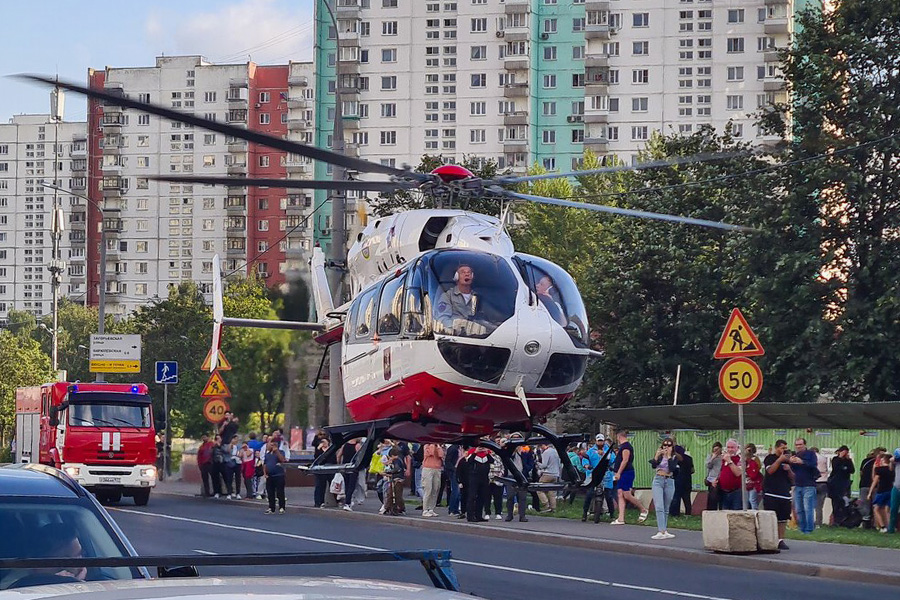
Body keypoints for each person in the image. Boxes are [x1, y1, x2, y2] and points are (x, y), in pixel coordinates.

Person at [435, 264, 485, 336]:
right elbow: (442, 319)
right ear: (456, 277)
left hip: (477, 337)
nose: (467, 274)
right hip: (456, 338)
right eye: (463, 272)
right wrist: (459, 325)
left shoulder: (478, 297)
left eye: (469, 272)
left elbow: (483, 318)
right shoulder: (447, 296)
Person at [612, 430, 648, 525]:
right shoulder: (622, 447)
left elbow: (625, 460)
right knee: (620, 493)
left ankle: (643, 509)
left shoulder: (626, 447)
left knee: (626, 494)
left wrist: (619, 472)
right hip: (623, 473)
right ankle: (621, 518)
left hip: (626, 472)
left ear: (619, 437)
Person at [763, 439, 794, 550]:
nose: (784, 450)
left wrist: (789, 469)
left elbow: (793, 478)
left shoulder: (789, 461)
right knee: (771, 518)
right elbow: (770, 471)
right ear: (777, 448)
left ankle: (781, 540)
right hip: (771, 493)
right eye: (782, 448)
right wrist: (779, 460)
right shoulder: (769, 458)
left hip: (785, 493)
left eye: (786, 448)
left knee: (783, 519)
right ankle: (768, 540)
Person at [649, 437, 680, 540]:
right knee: (659, 506)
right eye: (664, 445)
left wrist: (669, 456)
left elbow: (672, 468)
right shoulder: (660, 456)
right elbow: (653, 465)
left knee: (666, 507)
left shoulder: (675, 457)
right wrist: (657, 455)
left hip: (669, 480)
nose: (666, 447)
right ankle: (660, 530)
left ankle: (664, 530)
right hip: (658, 480)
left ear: (672, 447)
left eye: (669, 445)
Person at [788, 437, 819, 533]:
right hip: (798, 485)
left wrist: (802, 462)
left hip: (809, 484)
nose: (798, 446)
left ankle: (809, 529)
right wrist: (791, 461)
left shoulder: (811, 454)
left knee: (808, 508)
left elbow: (813, 464)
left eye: (800, 444)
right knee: (799, 509)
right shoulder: (795, 455)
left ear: (805, 445)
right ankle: (802, 529)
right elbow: (792, 470)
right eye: (796, 445)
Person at [465, 446, 494, 522]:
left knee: (482, 497)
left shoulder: (487, 453)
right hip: (474, 477)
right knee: (472, 497)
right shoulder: (472, 452)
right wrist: (475, 452)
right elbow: (468, 462)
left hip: (484, 478)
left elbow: (492, 460)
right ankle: (470, 516)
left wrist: (487, 453)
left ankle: (479, 515)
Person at [827, 445, 854, 525]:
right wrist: (840, 459)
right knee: (836, 502)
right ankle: (836, 520)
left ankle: (844, 520)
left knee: (845, 501)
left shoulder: (848, 461)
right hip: (835, 483)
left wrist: (847, 462)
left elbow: (852, 470)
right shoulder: (835, 459)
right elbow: (836, 468)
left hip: (845, 483)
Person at [858, 447, 884, 529]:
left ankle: (866, 522)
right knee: (875, 505)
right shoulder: (880, 463)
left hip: (864, 485)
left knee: (864, 504)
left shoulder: (865, 461)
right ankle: (876, 524)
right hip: (875, 486)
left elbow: (861, 473)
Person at [868, 452, 893, 532]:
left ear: (884, 460)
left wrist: (874, 467)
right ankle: (890, 527)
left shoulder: (880, 470)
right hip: (890, 490)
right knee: (887, 509)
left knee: (876, 508)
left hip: (882, 490)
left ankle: (882, 527)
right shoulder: (892, 470)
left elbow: (874, 479)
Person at [717, 439, 743, 510]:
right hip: (723, 491)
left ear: (737, 448)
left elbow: (738, 473)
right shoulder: (723, 459)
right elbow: (720, 471)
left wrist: (729, 461)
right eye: (728, 447)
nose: (730, 449)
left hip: (735, 492)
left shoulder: (740, 459)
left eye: (732, 447)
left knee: (736, 514)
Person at [536, 442, 561, 513]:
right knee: (552, 491)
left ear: (544, 445)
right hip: (555, 474)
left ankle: (546, 505)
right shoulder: (556, 452)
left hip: (547, 474)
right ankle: (553, 508)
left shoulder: (546, 452)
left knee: (539, 489)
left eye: (541, 446)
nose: (541, 448)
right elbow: (559, 464)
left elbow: (544, 465)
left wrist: (537, 463)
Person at [421, 443, 444, 518]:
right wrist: (432, 445)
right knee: (428, 489)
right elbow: (430, 453)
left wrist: (438, 446)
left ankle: (431, 509)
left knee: (435, 489)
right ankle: (425, 510)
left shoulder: (438, 446)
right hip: (428, 468)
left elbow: (441, 455)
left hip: (437, 468)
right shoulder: (427, 446)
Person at [263, 440, 286, 514]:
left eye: (271, 445)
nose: (268, 446)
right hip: (270, 475)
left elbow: (282, 460)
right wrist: (265, 473)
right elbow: (265, 464)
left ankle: (282, 507)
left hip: (279, 475)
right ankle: (271, 507)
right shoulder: (267, 454)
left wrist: (277, 451)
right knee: (270, 492)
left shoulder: (281, 452)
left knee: (280, 492)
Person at [313, 437, 334, 508]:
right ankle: (319, 502)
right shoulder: (319, 450)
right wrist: (319, 448)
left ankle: (337, 501)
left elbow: (333, 459)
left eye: (325, 442)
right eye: (322, 442)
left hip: (330, 469)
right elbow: (316, 458)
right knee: (320, 486)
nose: (324, 443)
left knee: (333, 484)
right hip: (320, 470)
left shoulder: (331, 450)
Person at [812, 447, 829, 528]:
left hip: (813, 482)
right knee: (819, 506)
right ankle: (818, 523)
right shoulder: (823, 458)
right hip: (823, 482)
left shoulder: (811, 458)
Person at [705, 442, 724, 511]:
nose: (716, 451)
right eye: (715, 449)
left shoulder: (723, 457)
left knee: (721, 496)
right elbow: (708, 466)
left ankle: (721, 509)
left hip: (721, 478)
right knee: (712, 497)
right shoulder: (710, 456)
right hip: (712, 478)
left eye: (718, 449)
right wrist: (713, 458)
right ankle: (711, 510)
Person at [745, 444, 763, 510]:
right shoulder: (744, 459)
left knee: (752, 500)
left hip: (754, 483)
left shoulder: (755, 459)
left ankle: (755, 513)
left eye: (750, 450)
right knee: (746, 501)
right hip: (746, 483)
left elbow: (758, 468)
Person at [887, 449, 900, 533]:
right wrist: (891, 461)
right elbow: (891, 469)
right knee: (893, 508)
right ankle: (891, 529)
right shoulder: (897, 461)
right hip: (897, 486)